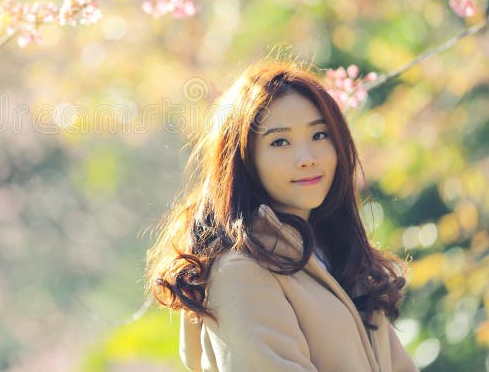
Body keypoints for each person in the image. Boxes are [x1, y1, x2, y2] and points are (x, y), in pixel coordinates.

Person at [145, 58, 418, 371]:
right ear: (244, 160)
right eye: (280, 142)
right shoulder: (241, 273)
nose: (306, 158)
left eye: (319, 135)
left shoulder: (338, 259)